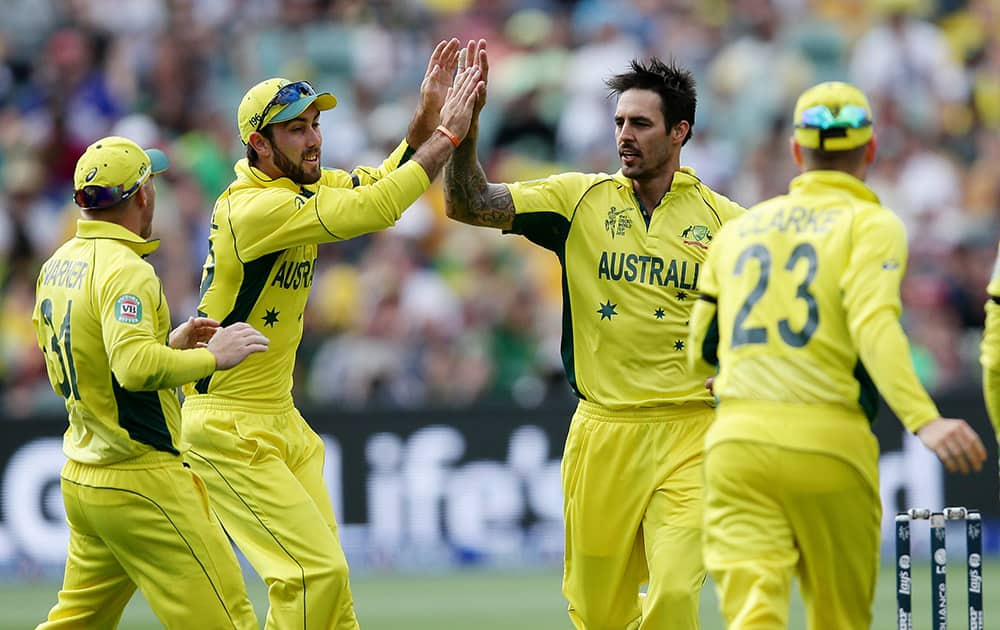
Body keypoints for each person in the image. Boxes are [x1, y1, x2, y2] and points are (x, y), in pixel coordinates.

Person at [179, 40, 483, 629]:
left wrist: (423, 120)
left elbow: (378, 180)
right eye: (296, 130)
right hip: (226, 427)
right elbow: (376, 209)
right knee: (311, 575)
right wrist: (445, 137)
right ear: (258, 145)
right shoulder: (252, 209)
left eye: (316, 124)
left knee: (329, 597)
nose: (314, 138)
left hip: (279, 416)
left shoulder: (299, 189)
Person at [444, 44, 744, 629]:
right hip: (603, 433)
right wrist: (466, 130)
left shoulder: (729, 224)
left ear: (679, 131)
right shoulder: (576, 201)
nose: (624, 135)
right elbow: (467, 204)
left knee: (677, 591)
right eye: (619, 123)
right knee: (598, 613)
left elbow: (767, 319)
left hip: (694, 432)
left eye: (641, 123)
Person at [687, 81, 989, 629]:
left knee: (753, 614)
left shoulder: (739, 230)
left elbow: (699, 352)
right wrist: (925, 420)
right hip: (828, 441)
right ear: (870, 150)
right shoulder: (871, 225)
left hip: (737, 444)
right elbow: (874, 325)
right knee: (841, 619)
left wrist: (730, 380)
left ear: (797, 152)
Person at [33, 136, 270, 629]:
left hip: (84, 473)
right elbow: (133, 368)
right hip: (142, 477)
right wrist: (212, 358)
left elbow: (95, 354)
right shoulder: (127, 271)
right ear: (142, 195)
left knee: (75, 622)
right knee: (230, 621)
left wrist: (170, 343)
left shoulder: (57, 264)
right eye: (151, 182)